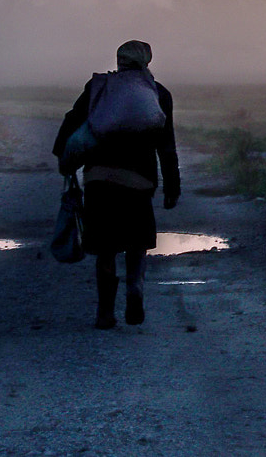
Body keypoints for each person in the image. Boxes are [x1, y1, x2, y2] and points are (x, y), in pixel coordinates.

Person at [53, 40, 180, 329]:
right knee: (137, 243)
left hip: (100, 179)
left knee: (105, 248)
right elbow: (167, 145)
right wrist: (172, 187)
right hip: (140, 181)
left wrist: (64, 158)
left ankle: (105, 312)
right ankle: (135, 290)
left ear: (119, 60)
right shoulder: (158, 94)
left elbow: (72, 121)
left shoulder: (98, 88)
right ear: (147, 61)